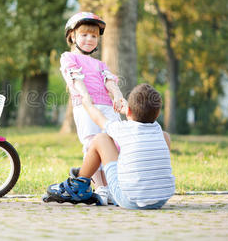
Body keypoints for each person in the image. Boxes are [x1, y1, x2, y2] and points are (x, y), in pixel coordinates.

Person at [45, 84, 175, 209]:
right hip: (161, 199)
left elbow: (98, 118)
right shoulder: (160, 132)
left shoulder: (123, 128)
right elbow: (143, 120)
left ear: (128, 110)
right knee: (164, 137)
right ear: (157, 114)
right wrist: (129, 111)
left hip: (129, 199)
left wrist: (87, 102)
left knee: (101, 139)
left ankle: (78, 185)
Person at [60, 11, 127, 204]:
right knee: (92, 145)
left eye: (94, 36)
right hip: (86, 107)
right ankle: (101, 187)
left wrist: (118, 95)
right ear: (72, 36)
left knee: (114, 144)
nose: (89, 39)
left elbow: (109, 81)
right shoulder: (68, 58)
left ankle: (114, 187)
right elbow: (75, 78)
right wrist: (86, 96)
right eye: (84, 35)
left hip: (107, 107)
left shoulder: (99, 64)